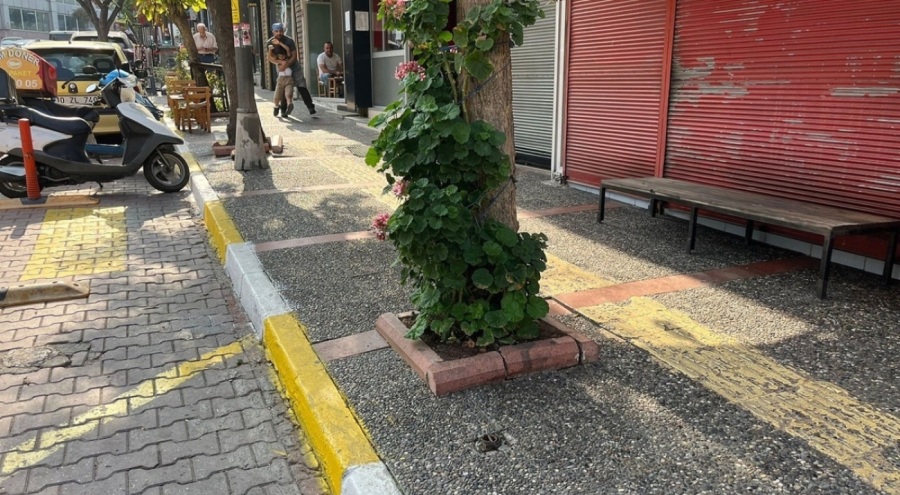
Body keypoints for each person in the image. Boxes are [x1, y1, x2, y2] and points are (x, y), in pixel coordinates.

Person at [266, 23, 315, 115]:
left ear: (283, 31)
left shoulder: (289, 41)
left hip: (294, 67)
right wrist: (280, 63)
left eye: (280, 31)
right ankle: (283, 109)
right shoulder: (269, 43)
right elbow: (270, 57)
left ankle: (310, 106)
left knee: (301, 85)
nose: (279, 33)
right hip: (281, 67)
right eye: (276, 31)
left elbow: (294, 56)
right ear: (273, 32)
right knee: (284, 88)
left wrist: (286, 64)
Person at [273, 53, 294, 117]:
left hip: (289, 79)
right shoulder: (277, 62)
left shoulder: (289, 61)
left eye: (283, 55)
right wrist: (270, 49)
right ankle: (276, 107)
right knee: (277, 96)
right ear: (278, 56)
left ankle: (289, 105)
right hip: (280, 80)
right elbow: (270, 58)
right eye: (280, 56)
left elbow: (290, 55)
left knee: (288, 94)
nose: (282, 57)